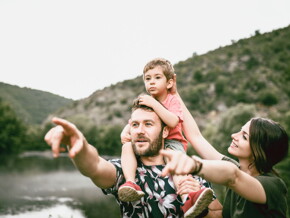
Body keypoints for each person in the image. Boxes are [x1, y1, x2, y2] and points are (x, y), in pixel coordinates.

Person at [44, 100, 223, 217]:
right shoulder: (125, 170)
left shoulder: (188, 169)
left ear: (165, 130)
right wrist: (79, 144)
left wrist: (201, 210)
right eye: (135, 125)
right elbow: (95, 166)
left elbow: (218, 214)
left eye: (148, 124)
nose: (139, 130)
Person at [160, 75, 289, 217]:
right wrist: (174, 95)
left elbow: (233, 177)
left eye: (244, 136)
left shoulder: (273, 186)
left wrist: (194, 165)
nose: (234, 135)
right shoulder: (238, 170)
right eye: (240, 131)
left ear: (259, 150)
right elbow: (195, 136)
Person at [118, 58, 213, 217]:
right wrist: (126, 129)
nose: (152, 82)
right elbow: (138, 117)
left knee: (177, 168)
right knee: (127, 146)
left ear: (169, 83)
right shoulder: (149, 102)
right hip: (153, 142)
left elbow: (173, 121)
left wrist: (154, 104)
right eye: (147, 79)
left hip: (173, 143)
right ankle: (130, 183)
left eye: (157, 78)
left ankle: (188, 198)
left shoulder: (171, 100)